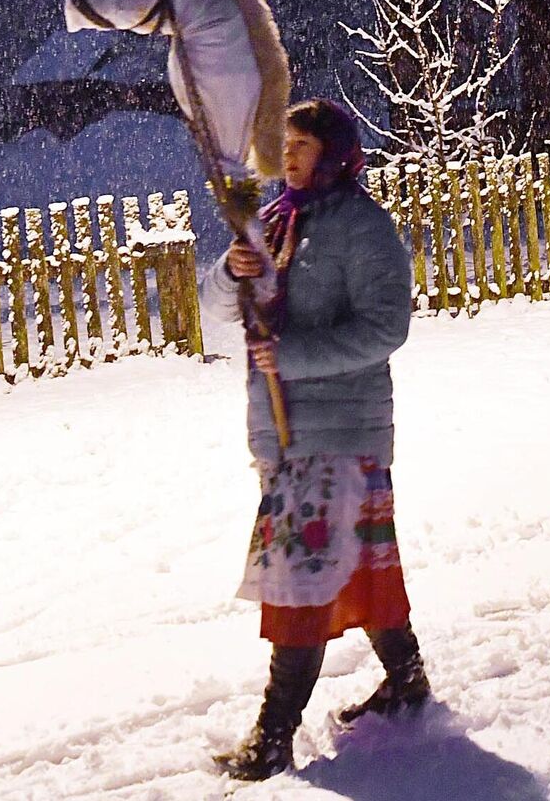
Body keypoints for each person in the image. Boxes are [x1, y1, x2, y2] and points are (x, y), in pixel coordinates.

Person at [203, 99, 427, 781]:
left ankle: (274, 736)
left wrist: (292, 357)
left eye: (301, 146)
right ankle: (409, 686)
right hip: (285, 433)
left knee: (298, 582)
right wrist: (229, 274)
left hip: (341, 434)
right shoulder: (273, 222)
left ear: (334, 154)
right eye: (285, 145)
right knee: (356, 571)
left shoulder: (364, 228)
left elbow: (386, 327)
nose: (288, 157)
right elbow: (218, 312)